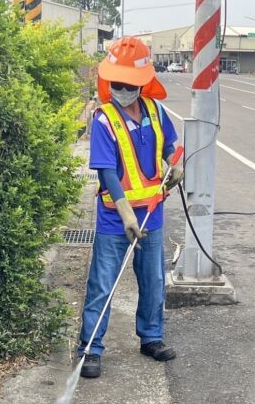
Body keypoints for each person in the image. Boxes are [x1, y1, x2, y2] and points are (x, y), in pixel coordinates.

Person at [78, 37, 183, 379]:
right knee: (103, 283)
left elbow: (170, 146)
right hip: (115, 216)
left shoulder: (155, 111)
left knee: (153, 279)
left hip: (152, 212)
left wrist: (174, 166)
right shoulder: (104, 119)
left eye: (127, 84)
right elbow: (107, 171)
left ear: (141, 82)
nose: (120, 89)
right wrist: (124, 213)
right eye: (116, 82)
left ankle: (151, 337)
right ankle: (90, 348)